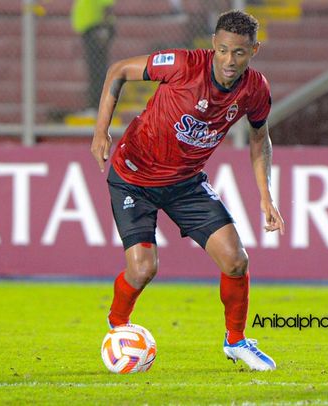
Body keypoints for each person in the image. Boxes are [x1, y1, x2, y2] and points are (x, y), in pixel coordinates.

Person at [89, 10, 284, 371]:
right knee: (143, 270)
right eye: (223, 50)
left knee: (236, 260)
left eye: (239, 53)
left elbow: (260, 138)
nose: (229, 60)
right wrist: (101, 130)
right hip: (134, 176)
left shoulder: (255, 89)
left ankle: (236, 341)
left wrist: (266, 196)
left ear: (254, 50)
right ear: (213, 45)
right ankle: (116, 328)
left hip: (186, 183)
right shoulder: (182, 64)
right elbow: (118, 70)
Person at [72, 0, 116, 114]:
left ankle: (98, 106)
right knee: (95, 70)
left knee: (97, 71)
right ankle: (97, 105)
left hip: (97, 29)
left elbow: (107, 6)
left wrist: (104, 28)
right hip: (92, 29)